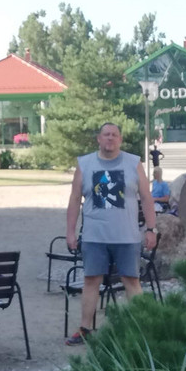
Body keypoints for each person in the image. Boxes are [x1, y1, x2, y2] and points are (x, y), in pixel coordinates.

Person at [65, 122, 157, 345]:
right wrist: (70, 232)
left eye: (114, 135)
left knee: (131, 280)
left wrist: (152, 229)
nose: (110, 138)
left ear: (120, 139)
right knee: (91, 280)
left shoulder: (133, 163)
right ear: (99, 138)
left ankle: (140, 328)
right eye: (106, 134)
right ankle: (85, 328)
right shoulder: (85, 164)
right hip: (95, 236)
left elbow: (146, 197)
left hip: (127, 236)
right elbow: (75, 199)